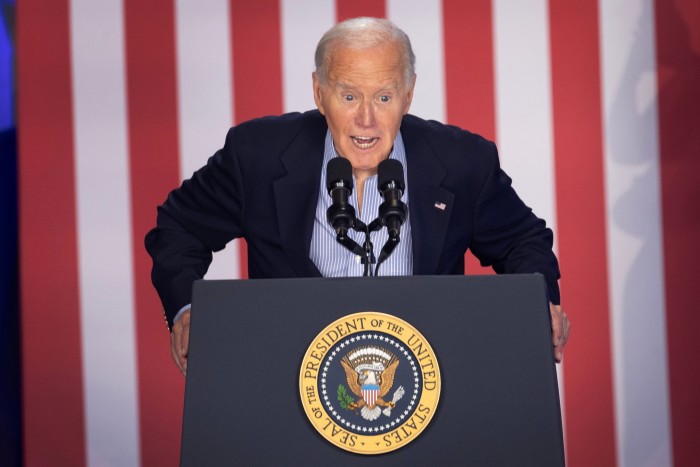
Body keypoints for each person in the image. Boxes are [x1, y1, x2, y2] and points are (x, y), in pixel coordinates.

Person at [146, 17, 570, 376]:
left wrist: (541, 303)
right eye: (349, 96)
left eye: (383, 97)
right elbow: (180, 227)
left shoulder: (462, 162)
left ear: (408, 95)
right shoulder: (257, 155)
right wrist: (185, 309)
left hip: (418, 382)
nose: (365, 119)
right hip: (288, 381)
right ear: (319, 93)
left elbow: (522, 241)